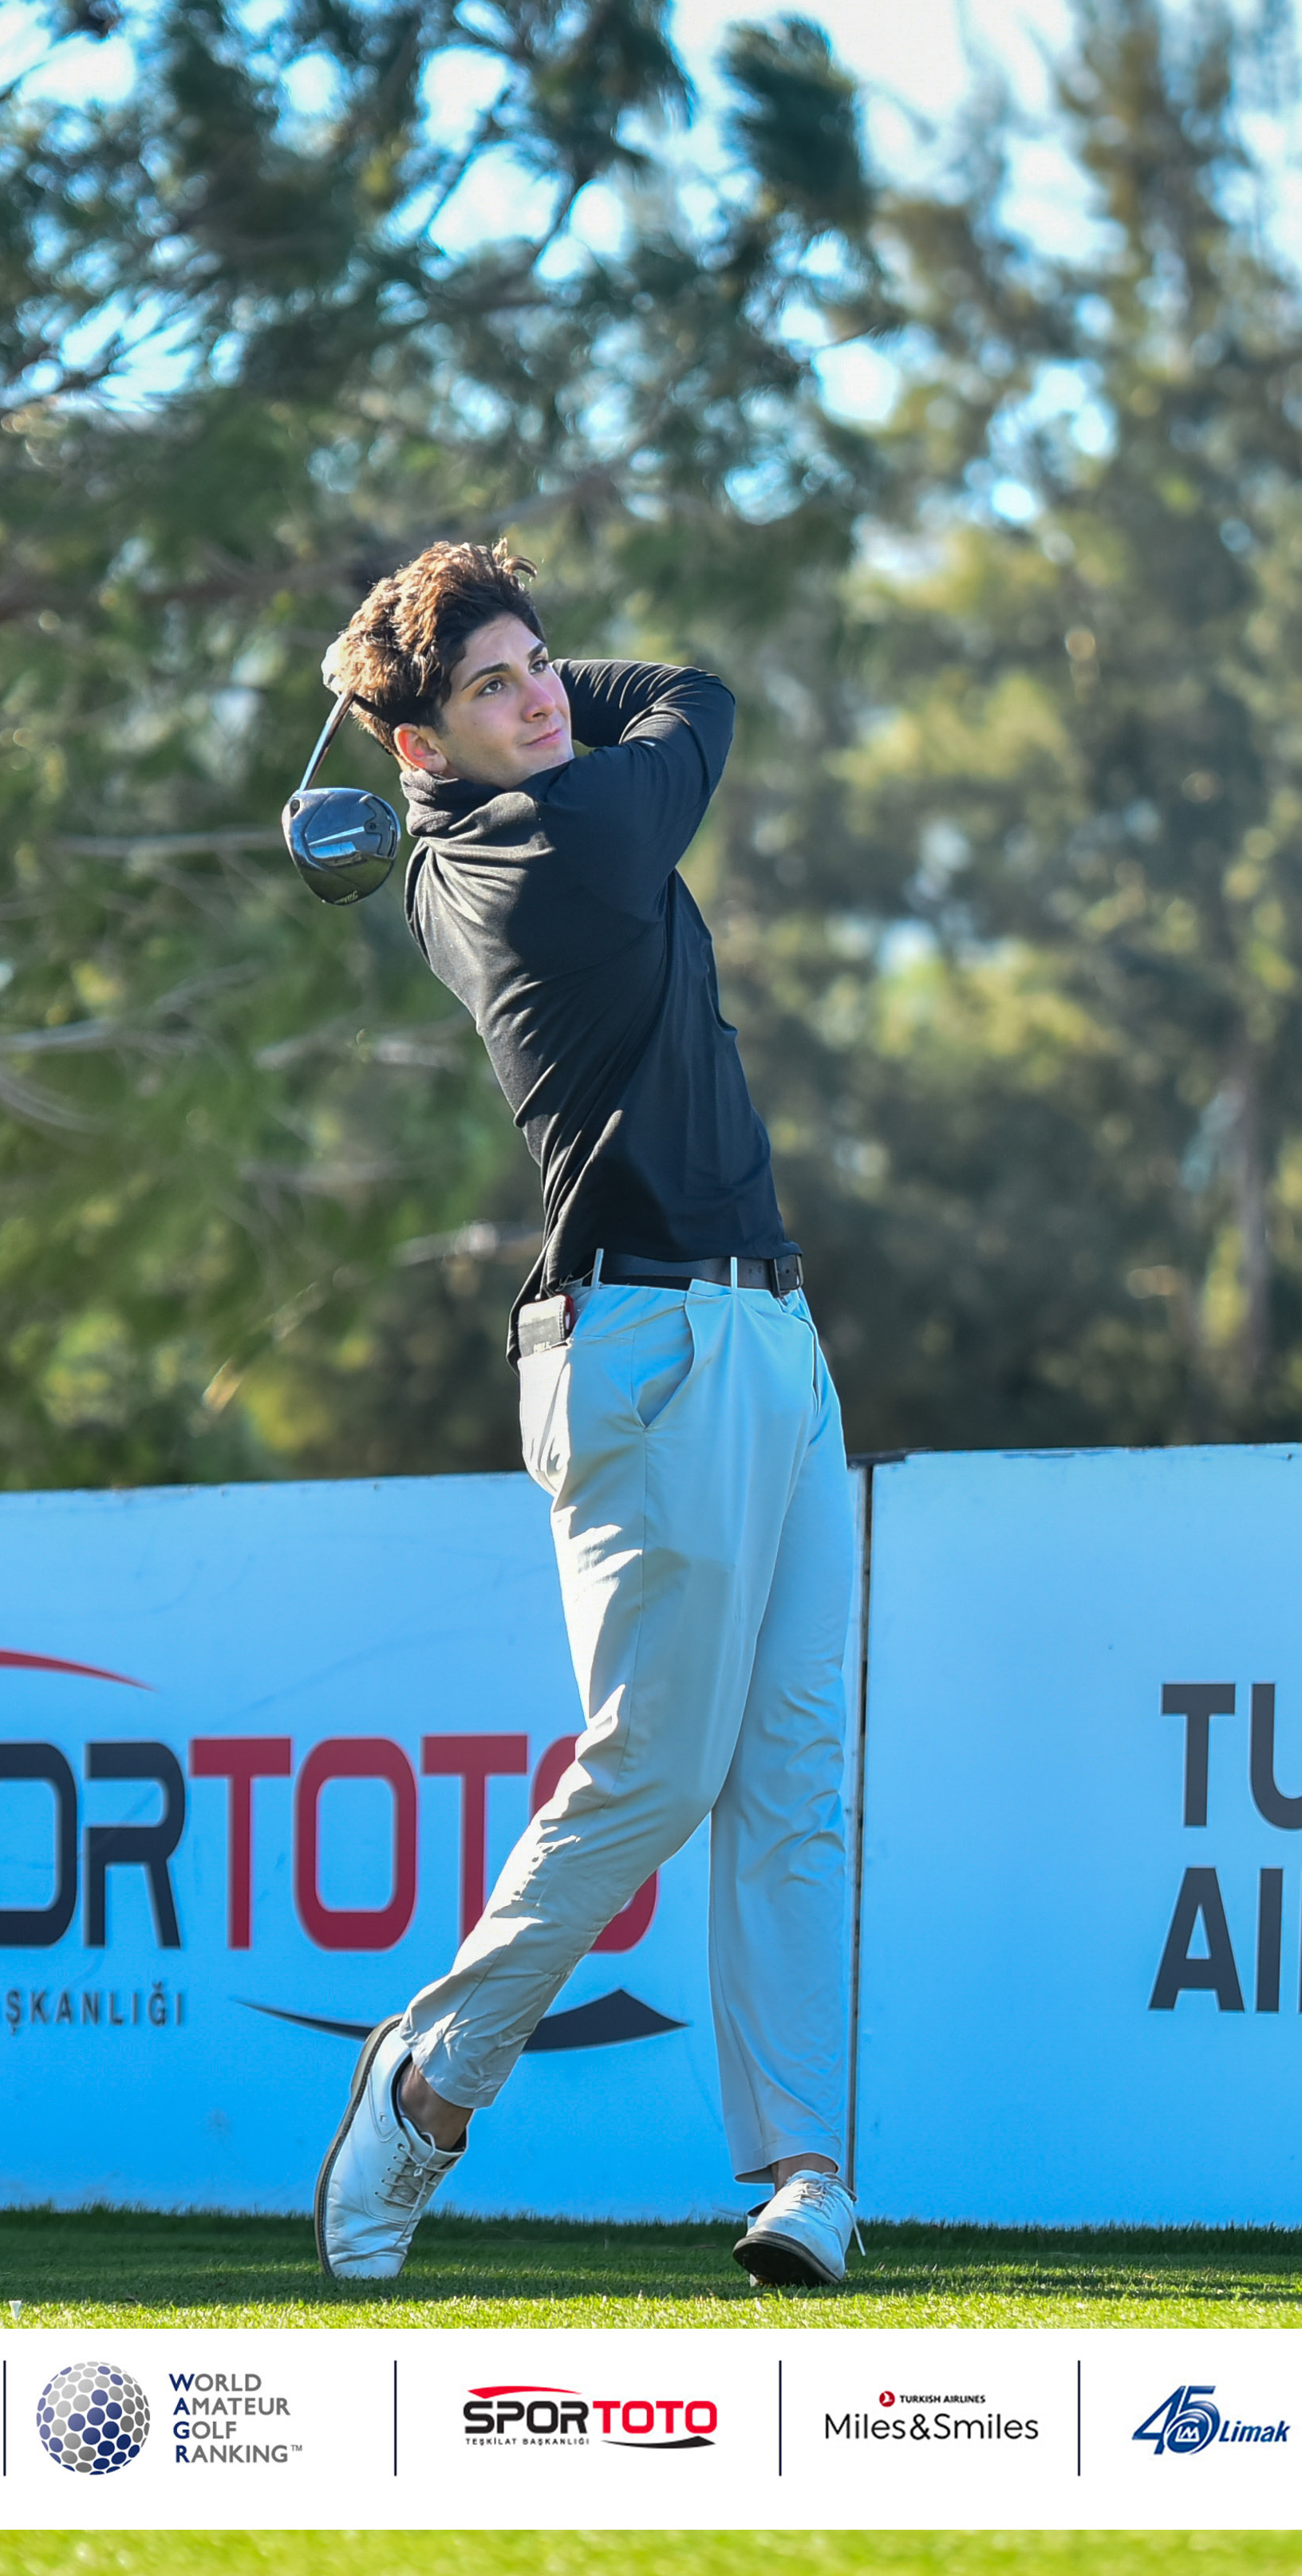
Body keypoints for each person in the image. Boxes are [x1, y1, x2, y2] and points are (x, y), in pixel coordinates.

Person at [306, 540, 859, 2290]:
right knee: (658, 1769)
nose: (545, 697)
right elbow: (698, 698)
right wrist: (563, 696)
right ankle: (432, 2078)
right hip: (650, 1344)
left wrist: (504, 672)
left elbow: (638, 704)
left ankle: (805, 2174)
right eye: (496, 686)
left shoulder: (486, 824)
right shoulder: (551, 845)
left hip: (767, 1331)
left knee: (794, 1776)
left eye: (544, 663)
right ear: (421, 747)